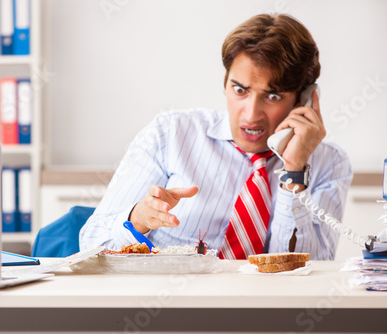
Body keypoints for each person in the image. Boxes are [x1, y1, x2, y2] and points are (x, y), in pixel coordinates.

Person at [79, 13, 352, 260]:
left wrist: (294, 171)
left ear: (302, 100)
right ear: (225, 84)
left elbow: (307, 273)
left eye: (272, 96)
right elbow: (91, 244)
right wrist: (137, 219)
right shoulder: (169, 135)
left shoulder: (330, 163)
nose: (251, 114)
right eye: (240, 90)